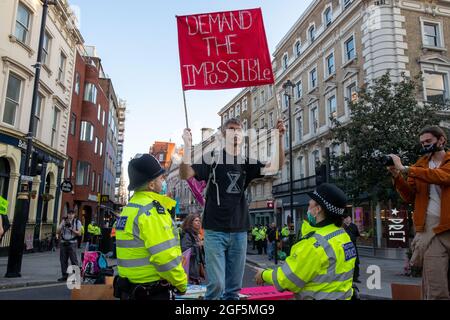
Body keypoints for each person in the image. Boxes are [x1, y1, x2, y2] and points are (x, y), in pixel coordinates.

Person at [180, 118, 286, 300]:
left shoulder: (246, 162)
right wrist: (187, 147)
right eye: (230, 129)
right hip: (214, 230)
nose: (234, 133)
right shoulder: (212, 158)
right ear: (223, 133)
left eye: (238, 130)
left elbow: (276, 166)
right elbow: (185, 174)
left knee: (233, 289)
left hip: (239, 230)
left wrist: (280, 138)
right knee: (217, 285)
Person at [254, 183, 356, 300]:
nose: (308, 209)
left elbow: (288, 279)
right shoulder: (343, 235)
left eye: (310, 205)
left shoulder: (314, 245)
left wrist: (263, 274)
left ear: (317, 210)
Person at [114, 154, 187, 300]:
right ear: (151, 184)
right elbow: (164, 256)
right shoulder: (151, 211)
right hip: (150, 291)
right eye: (161, 178)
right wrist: (181, 283)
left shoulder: (130, 208)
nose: (163, 180)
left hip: (129, 289)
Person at [389, 125, 450, 300]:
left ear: (441, 140)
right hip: (431, 231)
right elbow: (409, 196)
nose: (425, 145)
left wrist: (406, 168)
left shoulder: (424, 167)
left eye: (428, 141)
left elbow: (443, 177)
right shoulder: (420, 165)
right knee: (436, 283)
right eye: (422, 143)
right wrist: (397, 176)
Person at [57, 209, 82, 282]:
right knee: (63, 260)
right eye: (69, 214)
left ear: (74, 215)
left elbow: (79, 233)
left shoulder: (77, 222)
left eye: (72, 214)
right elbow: (57, 231)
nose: (70, 215)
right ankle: (64, 276)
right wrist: (62, 226)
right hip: (63, 242)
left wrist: (72, 229)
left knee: (74, 260)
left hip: (72, 243)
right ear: (67, 214)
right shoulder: (64, 221)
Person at [180, 213, 205, 284]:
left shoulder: (196, 235)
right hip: (190, 269)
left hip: (196, 268)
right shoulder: (187, 235)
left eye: (199, 221)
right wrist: (198, 245)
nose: (198, 222)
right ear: (190, 222)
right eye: (196, 221)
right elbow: (185, 249)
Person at [343, 214, 361, 283]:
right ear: (344, 220)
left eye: (348, 218)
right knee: (346, 262)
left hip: (353, 246)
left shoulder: (354, 226)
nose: (347, 219)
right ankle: (347, 277)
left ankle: (355, 277)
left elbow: (357, 235)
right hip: (345, 247)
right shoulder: (342, 227)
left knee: (356, 262)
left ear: (350, 219)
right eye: (346, 218)